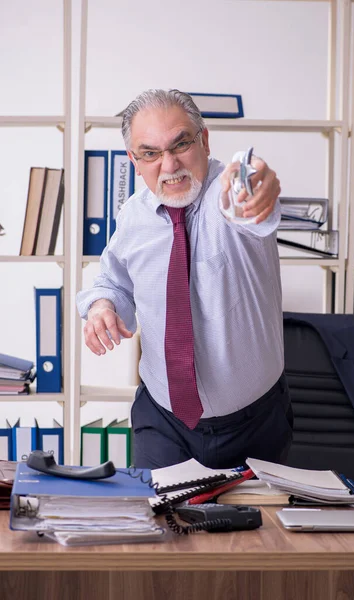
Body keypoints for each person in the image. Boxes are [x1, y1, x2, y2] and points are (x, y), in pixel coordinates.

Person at [76, 88, 293, 470]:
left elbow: (250, 183)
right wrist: (102, 306)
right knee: (157, 524)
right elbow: (113, 280)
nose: (170, 164)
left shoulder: (230, 196)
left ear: (204, 140)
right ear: (134, 160)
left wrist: (257, 181)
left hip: (255, 422)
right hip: (163, 419)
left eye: (181, 145)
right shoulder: (134, 216)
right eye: (151, 153)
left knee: (258, 531)